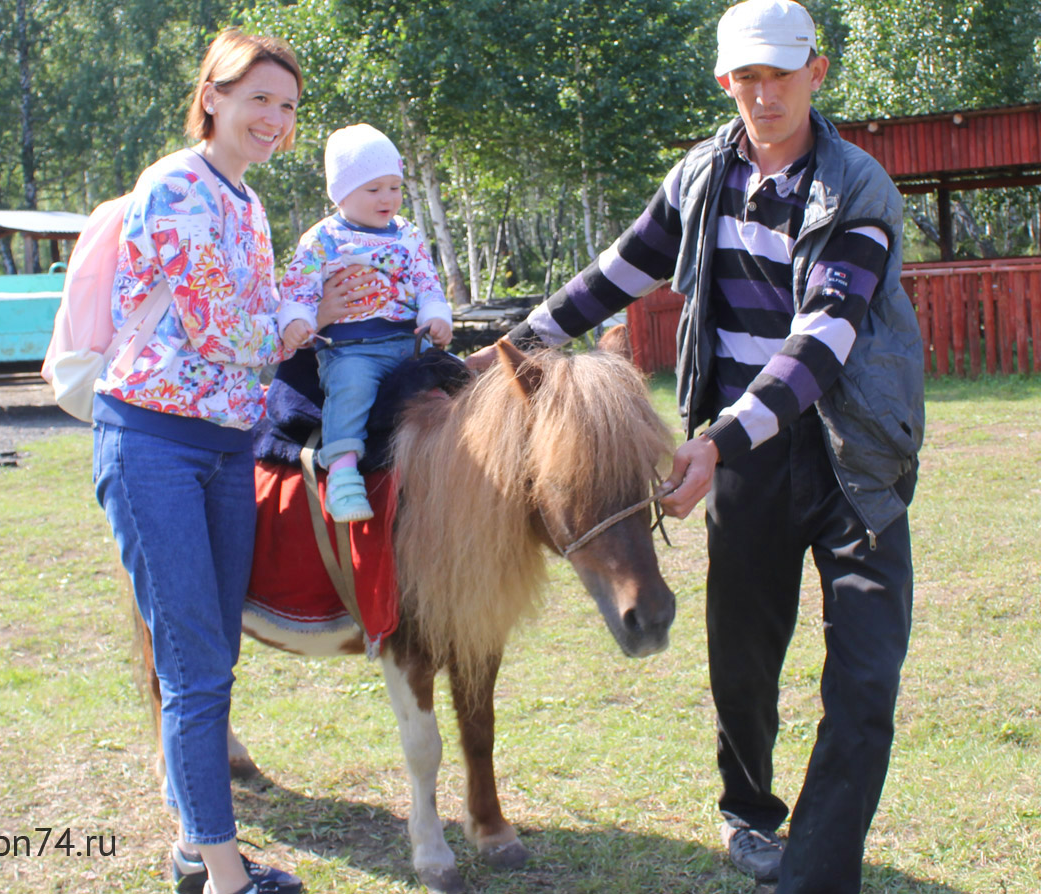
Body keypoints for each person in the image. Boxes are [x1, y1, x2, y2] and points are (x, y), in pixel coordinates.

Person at [469, 1, 924, 891]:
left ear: (817, 72)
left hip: (851, 459)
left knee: (866, 680)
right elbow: (615, 275)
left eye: (781, 74)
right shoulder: (699, 178)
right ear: (725, 82)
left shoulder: (857, 190)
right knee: (743, 653)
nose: (764, 93)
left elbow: (823, 341)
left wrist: (715, 439)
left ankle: (816, 873)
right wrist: (515, 348)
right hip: (747, 459)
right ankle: (750, 817)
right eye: (746, 77)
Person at [91, 30, 368, 894]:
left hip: (224, 449)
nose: (276, 120)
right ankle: (223, 875)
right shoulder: (175, 186)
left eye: (287, 107)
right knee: (199, 667)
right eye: (260, 99)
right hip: (153, 445)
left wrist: (307, 304)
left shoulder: (244, 203)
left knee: (209, 662)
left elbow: (260, 306)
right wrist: (299, 323)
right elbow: (223, 331)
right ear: (211, 95)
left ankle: (192, 848)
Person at [278, 123, 452, 522]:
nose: (387, 198)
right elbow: (297, 289)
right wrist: (298, 320)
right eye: (373, 189)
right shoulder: (322, 239)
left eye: (394, 186)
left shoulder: (407, 234)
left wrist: (436, 315)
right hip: (351, 348)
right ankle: (342, 474)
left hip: (410, 341)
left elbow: (427, 282)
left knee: (456, 379)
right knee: (350, 391)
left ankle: (457, 463)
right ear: (342, 192)